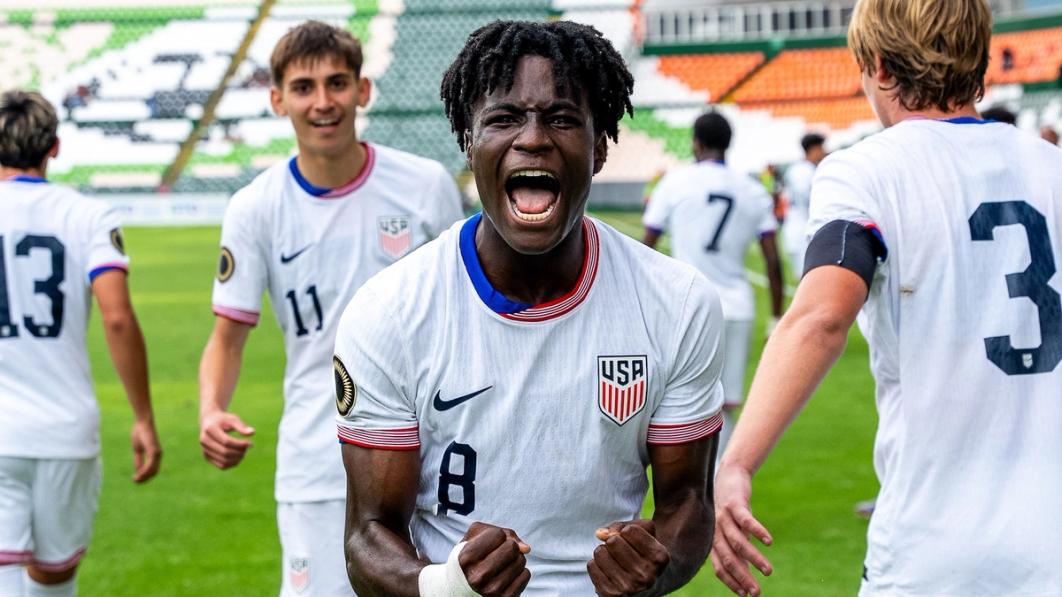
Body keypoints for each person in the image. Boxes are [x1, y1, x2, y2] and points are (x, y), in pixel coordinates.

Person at [335, 20, 725, 596]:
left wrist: (656, 563)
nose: (534, 138)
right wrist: (448, 586)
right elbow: (368, 534)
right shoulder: (389, 311)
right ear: (469, 142)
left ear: (599, 147)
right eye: (504, 118)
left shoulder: (678, 301)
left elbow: (688, 500)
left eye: (562, 118)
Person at [711, 0, 1062, 595]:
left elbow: (822, 316)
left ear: (878, 66)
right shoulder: (1052, 165)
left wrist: (737, 461)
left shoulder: (866, 170)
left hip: (938, 542)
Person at [197, 21, 463, 597]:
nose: (323, 102)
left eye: (337, 83)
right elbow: (228, 337)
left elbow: (469, 320)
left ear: (363, 90)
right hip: (316, 456)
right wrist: (211, 409)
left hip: (434, 451)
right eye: (303, 87)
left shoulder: (425, 186)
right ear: (277, 100)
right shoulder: (255, 208)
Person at [0, 90, 162, 596]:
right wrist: (142, 418)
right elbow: (117, 318)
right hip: (65, 428)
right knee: (54, 574)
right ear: (55, 146)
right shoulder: (89, 214)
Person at [642, 111, 784, 462]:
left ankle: (688, 496)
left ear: (696, 142)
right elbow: (771, 256)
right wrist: (777, 315)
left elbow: (645, 248)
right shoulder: (752, 189)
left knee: (675, 405)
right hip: (737, 306)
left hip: (684, 307)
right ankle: (722, 496)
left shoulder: (674, 183)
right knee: (726, 406)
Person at [781, 132, 826, 273]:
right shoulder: (808, 171)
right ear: (813, 149)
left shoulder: (794, 169)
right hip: (804, 232)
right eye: (821, 148)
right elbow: (809, 200)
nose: (823, 152)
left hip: (794, 229)